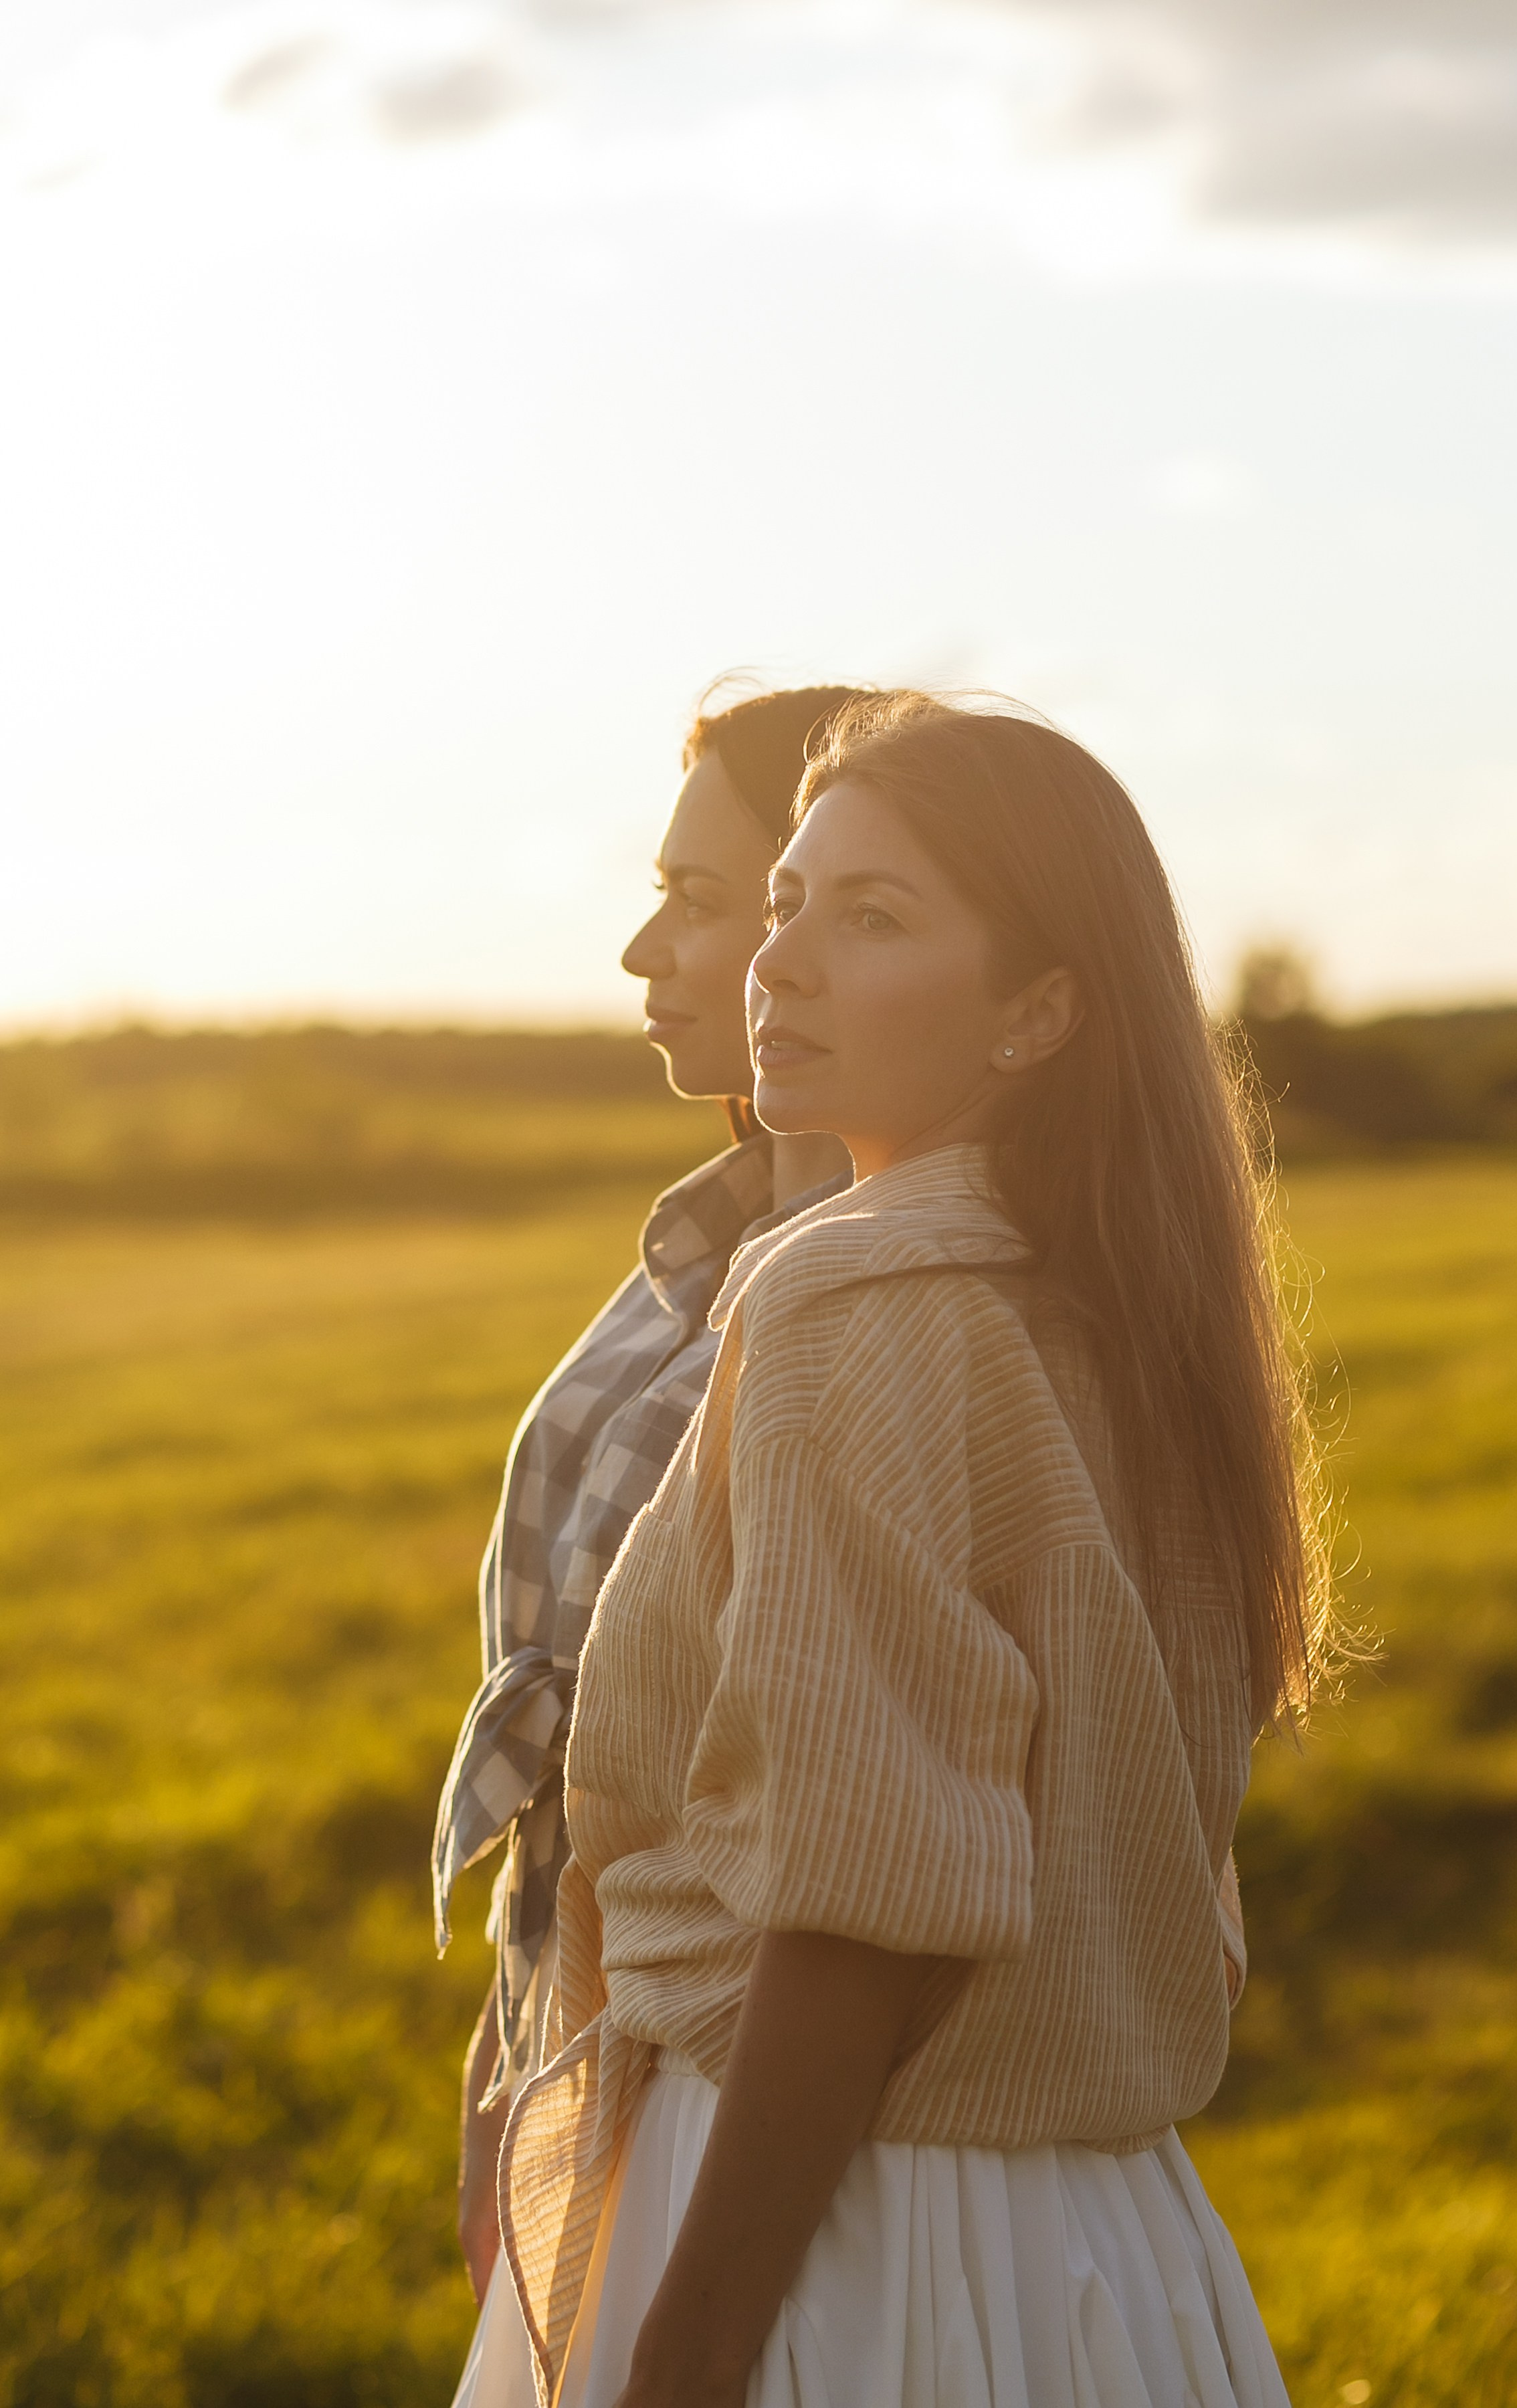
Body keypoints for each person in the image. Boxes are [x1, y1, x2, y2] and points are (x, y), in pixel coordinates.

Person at [490, 693, 1328, 2408]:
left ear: (1037, 1013)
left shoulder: (848, 1300)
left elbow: (871, 1900)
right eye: (788, 902)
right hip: (1112, 2243)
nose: (780, 963)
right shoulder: (1131, 1308)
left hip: (838, 2237)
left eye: (871, 920)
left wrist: (696, 2349)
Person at [434, 686, 867, 2397]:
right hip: (592, 2046)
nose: (645, 947)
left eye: (701, 897)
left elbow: (839, 1838)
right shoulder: (703, 1247)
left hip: (729, 2104)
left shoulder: (876, 1306)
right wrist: (521, 2056)